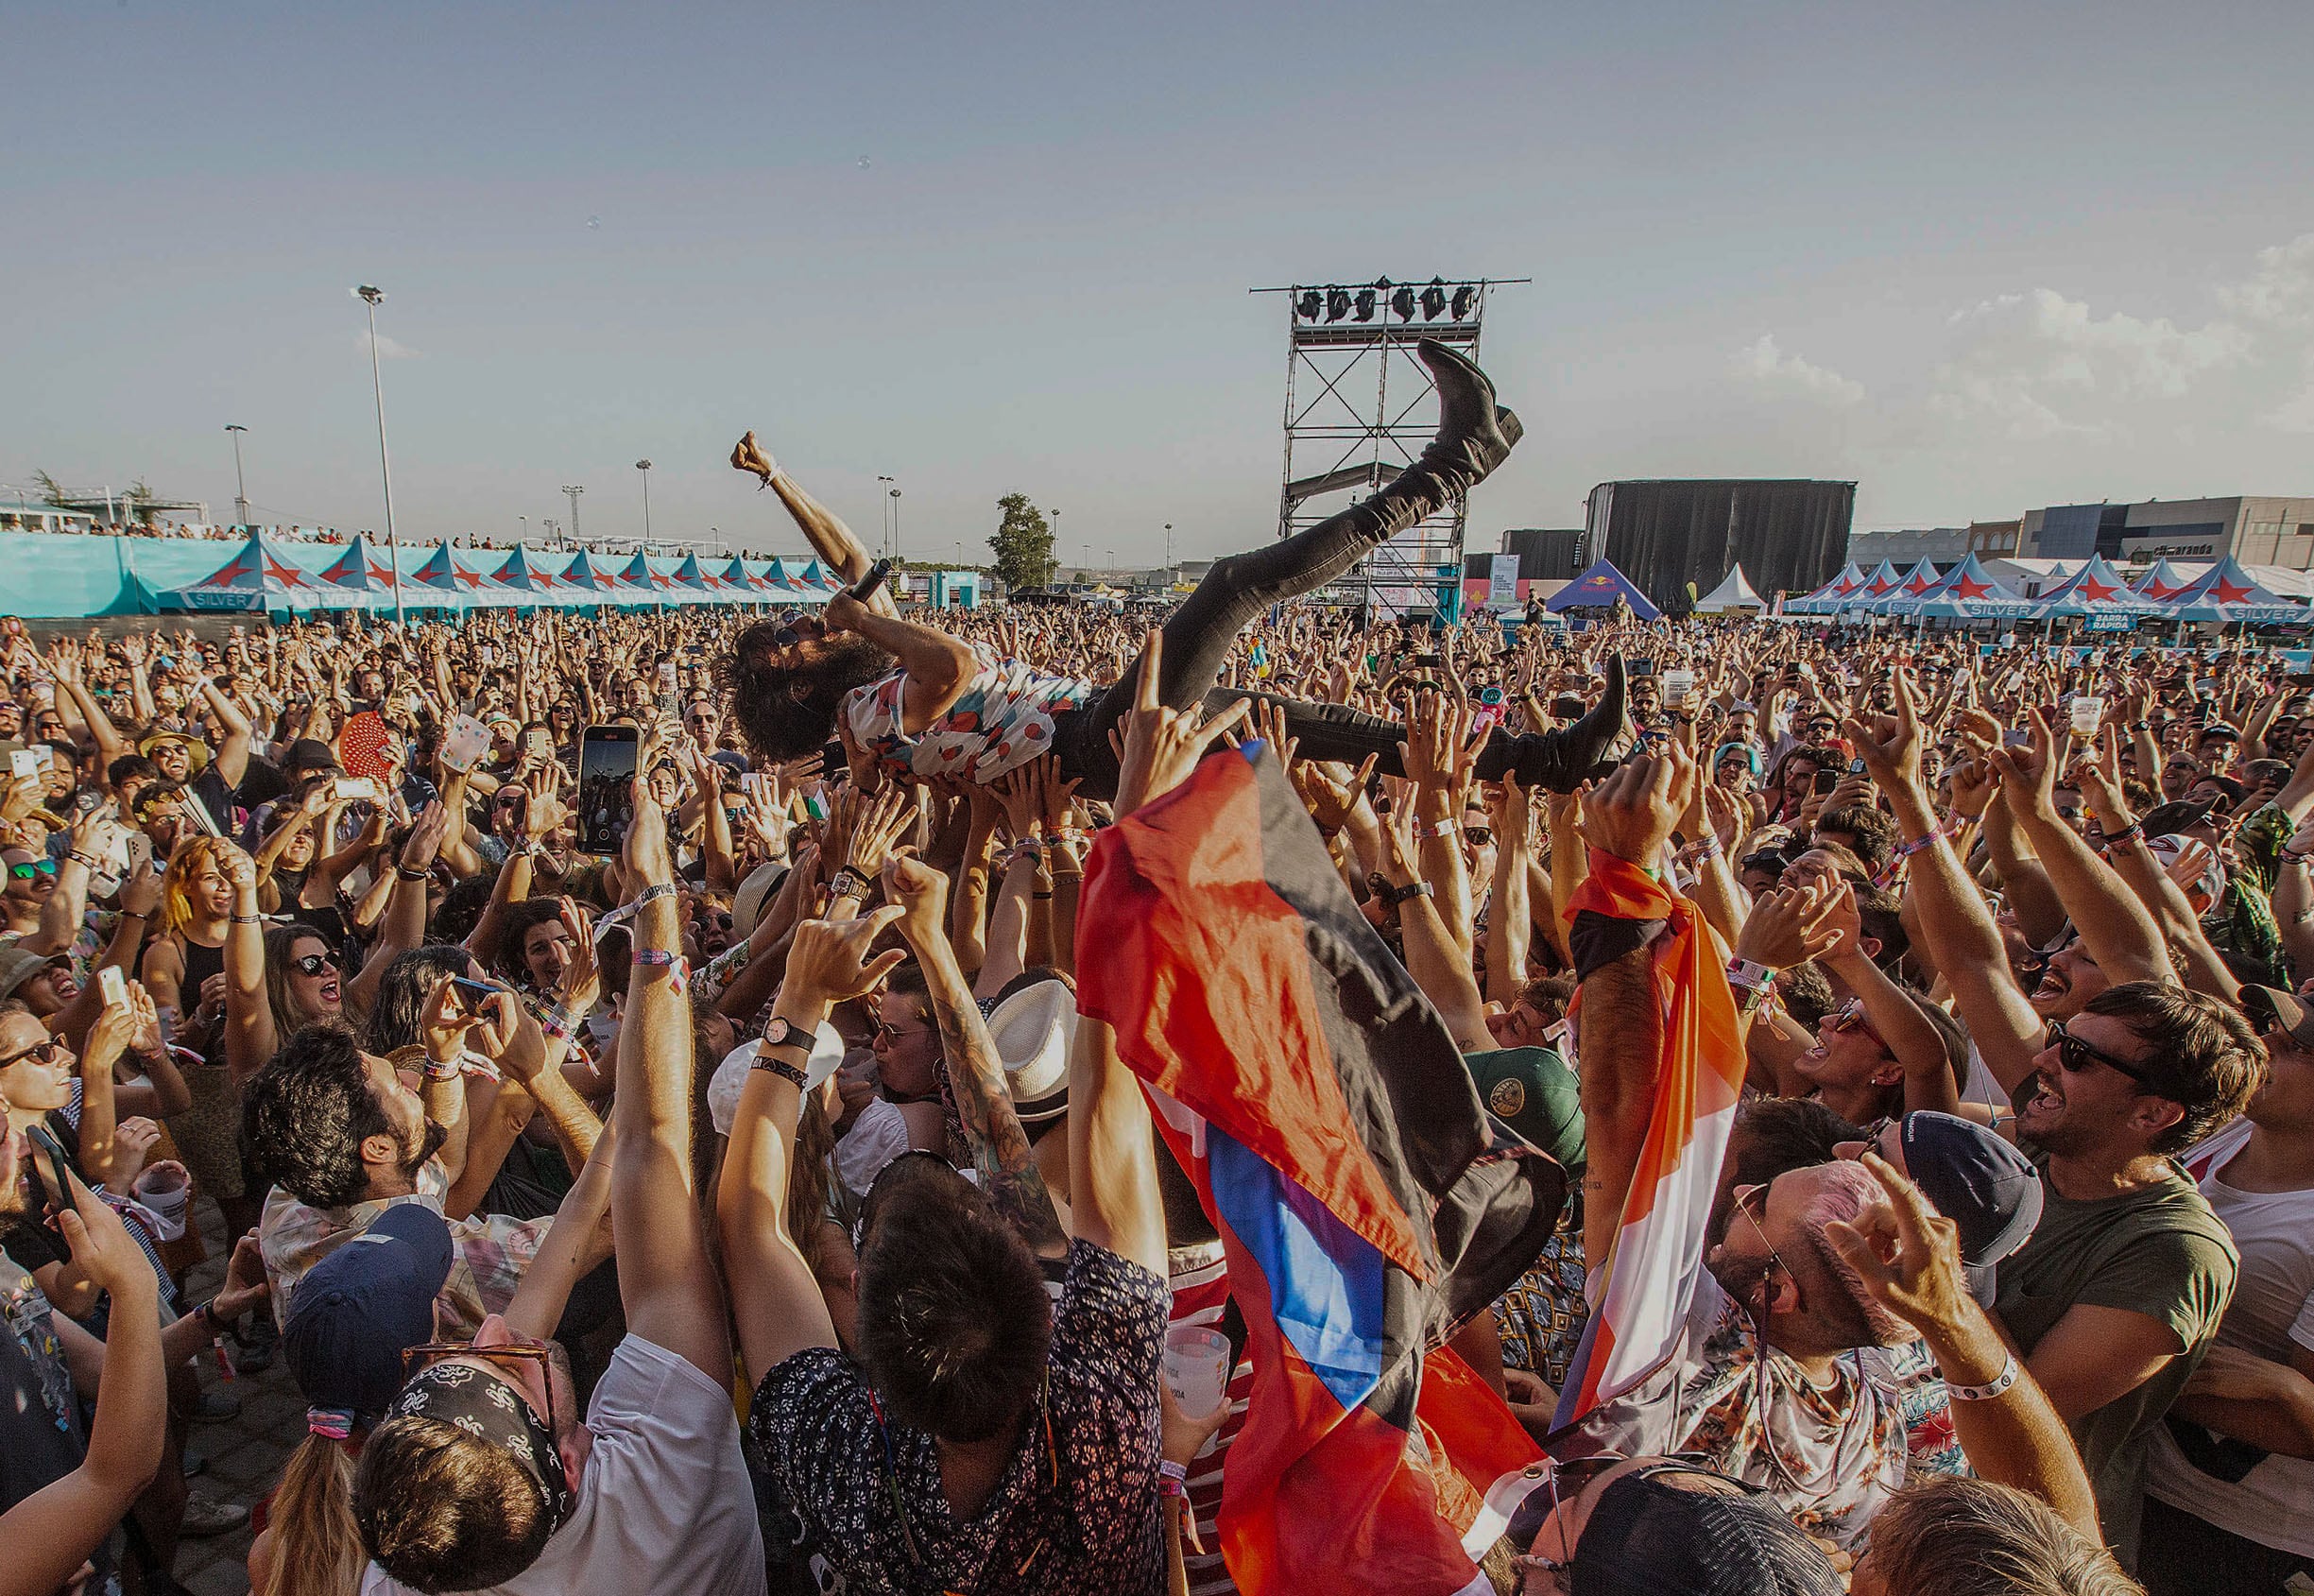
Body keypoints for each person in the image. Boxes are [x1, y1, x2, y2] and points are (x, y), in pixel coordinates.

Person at [724, 344, 1628, 799]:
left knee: (1292, 722)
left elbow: (852, 562)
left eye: (796, 625)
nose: (806, 628)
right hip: (1091, 742)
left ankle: (1542, 761)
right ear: (799, 694)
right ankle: (1455, 463)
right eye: (791, 647)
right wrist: (857, 622)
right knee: (1235, 584)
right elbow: (953, 668)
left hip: (1094, 726)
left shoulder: (874, 675)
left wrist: (777, 480)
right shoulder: (862, 716)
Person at [1849, 670, 2264, 1565]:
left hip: (2010, 1555)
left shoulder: (2173, 1252)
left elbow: (2013, 1404)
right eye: (2058, 1038)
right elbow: (1973, 963)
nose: (2040, 1057)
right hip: (1885, 1493)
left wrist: (1938, 1274)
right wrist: (1911, 798)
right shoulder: (2035, 1134)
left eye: (2077, 1055)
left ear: (2155, 1110)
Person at [350, 781, 764, 1595]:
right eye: (505, 1362)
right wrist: (652, 903)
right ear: (570, 1466)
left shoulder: (414, 1556)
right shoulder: (661, 1465)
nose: (495, 1330)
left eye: (462, 1353)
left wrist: (566, 1085)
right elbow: (657, 1153)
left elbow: (579, 1222)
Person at [2135, 983, 2314, 1596]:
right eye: (2272, 1030)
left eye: (2293, 1050)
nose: (2260, 1046)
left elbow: (2303, 1425)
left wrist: (2287, 1393)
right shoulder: (2222, 1129)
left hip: (2242, 1533)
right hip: (2143, 1471)